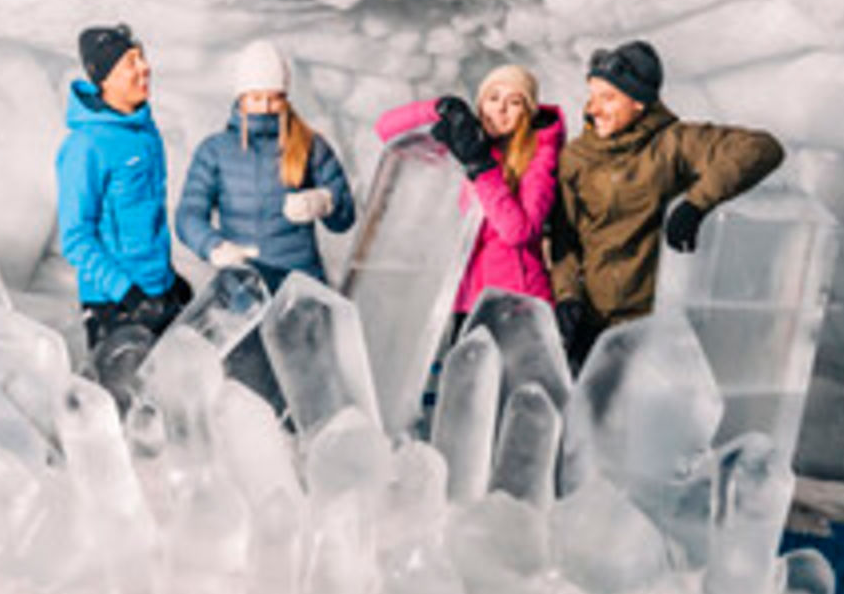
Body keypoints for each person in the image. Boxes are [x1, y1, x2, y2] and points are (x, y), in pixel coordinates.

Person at [546, 39, 783, 363]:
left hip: (649, 326)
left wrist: (696, 204)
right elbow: (565, 240)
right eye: (591, 96)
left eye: (608, 97)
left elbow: (760, 148)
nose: (592, 108)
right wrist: (567, 296)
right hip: (591, 323)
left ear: (639, 102)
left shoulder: (673, 144)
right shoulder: (576, 157)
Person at [55, 22, 186, 399]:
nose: (144, 68)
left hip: (157, 292)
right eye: (130, 62)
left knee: (165, 404)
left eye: (142, 58)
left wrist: (167, 279)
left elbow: (145, 221)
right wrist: (128, 295)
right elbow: (77, 238)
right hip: (114, 304)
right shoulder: (85, 146)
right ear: (105, 78)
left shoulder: (144, 131)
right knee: (123, 410)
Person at [374, 62, 566, 315]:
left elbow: (519, 233)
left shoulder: (540, 157)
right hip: (465, 297)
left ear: (528, 112)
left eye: (515, 102)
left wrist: (482, 168)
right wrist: (439, 107)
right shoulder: (467, 142)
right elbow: (384, 129)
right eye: (493, 98)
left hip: (517, 300)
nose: (500, 108)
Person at [178, 40, 360, 286]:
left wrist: (325, 201)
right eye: (255, 97)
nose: (264, 107)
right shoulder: (214, 151)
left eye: (274, 98)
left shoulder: (310, 145)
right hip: (242, 286)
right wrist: (215, 247)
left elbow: (345, 219)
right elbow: (188, 215)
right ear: (240, 97)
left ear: (285, 98)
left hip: (300, 285)